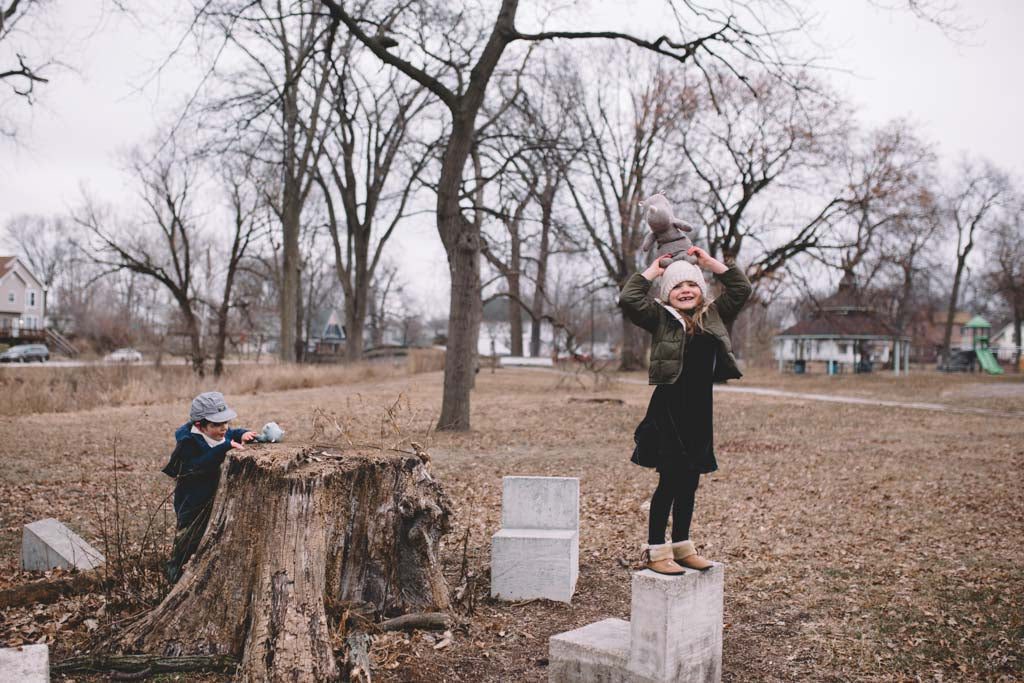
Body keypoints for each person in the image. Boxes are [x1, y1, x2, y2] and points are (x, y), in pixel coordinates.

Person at [619, 246, 752, 575]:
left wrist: (709, 263)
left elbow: (741, 289)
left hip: (699, 414)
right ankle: (655, 550)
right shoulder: (662, 320)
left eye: (691, 285)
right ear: (667, 294)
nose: (685, 290)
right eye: (677, 286)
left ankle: (682, 546)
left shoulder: (713, 316)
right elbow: (629, 299)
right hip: (668, 414)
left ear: (701, 290)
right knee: (669, 482)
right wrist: (654, 270)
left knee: (690, 482)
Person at [162, 391, 257, 582]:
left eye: (225, 422)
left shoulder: (218, 432)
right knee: (188, 542)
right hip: (192, 504)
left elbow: (232, 433)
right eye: (217, 424)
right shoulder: (187, 444)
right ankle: (175, 576)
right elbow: (196, 467)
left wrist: (243, 433)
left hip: (214, 499)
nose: (224, 428)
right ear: (200, 425)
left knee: (212, 538)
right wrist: (225, 448)